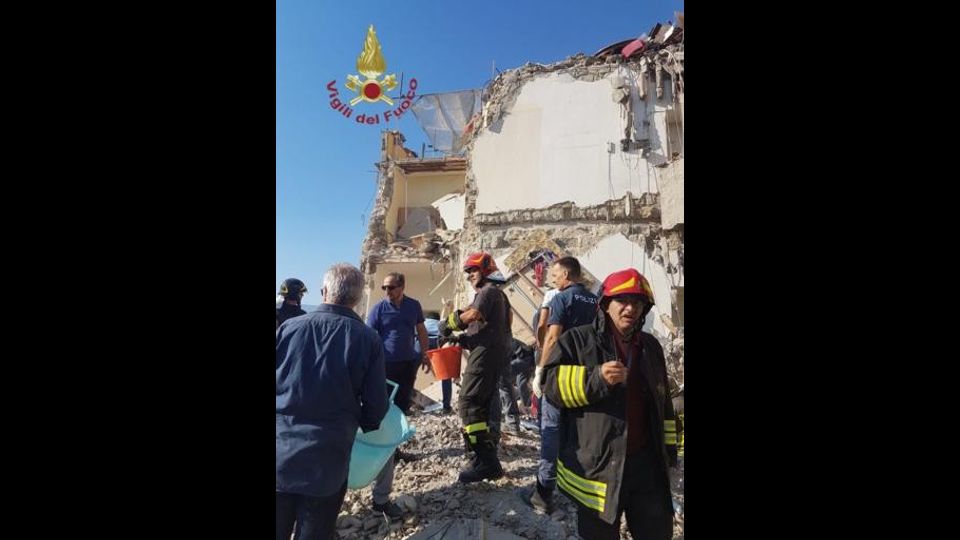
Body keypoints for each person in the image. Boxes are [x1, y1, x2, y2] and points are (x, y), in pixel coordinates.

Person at [542, 268, 679, 540]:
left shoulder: (650, 347)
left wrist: (670, 453)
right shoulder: (577, 341)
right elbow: (551, 385)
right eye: (622, 300)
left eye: (638, 302)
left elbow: (663, 401)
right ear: (605, 304)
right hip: (599, 470)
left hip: (647, 466)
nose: (631, 308)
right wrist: (596, 379)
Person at [276, 264, 388, 540]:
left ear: (324, 291)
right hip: (328, 459)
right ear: (358, 298)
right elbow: (376, 404)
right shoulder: (368, 339)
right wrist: (364, 423)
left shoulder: (288, 328)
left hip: (281, 452)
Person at [523, 257, 598, 514]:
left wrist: (541, 370)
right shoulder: (596, 300)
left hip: (560, 376)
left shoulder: (561, 299)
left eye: (555, 275)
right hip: (585, 377)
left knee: (551, 430)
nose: (553, 279)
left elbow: (553, 337)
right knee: (577, 433)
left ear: (566, 274)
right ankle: (576, 492)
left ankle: (543, 494)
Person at [440, 252, 511, 483]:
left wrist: (449, 324)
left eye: (473, 270)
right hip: (488, 354)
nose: (470, 275)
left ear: (486, 270)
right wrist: (461, 339)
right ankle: (482, 459)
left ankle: (487, 462)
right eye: (468, 271)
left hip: (484, 357)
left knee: (468, 403)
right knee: (479, 407)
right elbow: (485, 329)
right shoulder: (496, 295)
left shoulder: (488, 291)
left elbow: (473, 314)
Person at [366, 272, 432, 518]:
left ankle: (394, 449)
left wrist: (424, 354)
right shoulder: (378, 309)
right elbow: (370, 336)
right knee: (383, 409)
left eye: (391, 287)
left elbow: (421, 330)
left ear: (402, 286)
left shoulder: (413, 306)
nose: (387, 291)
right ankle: (381, 451)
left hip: (408, 364)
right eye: (384, 287)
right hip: (385, 366)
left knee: (402, 409)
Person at [417, 311, 453, 413]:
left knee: (410, 373)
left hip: (420, 344)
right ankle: (446, 406)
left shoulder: (422, 323)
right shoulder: (441, 324)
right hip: (439, 344)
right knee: (445, 376)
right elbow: (451, 339)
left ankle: (404, 403)